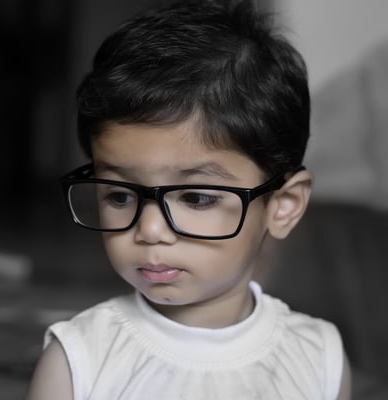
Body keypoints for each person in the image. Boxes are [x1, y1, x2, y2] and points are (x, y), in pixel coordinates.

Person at [26, 0, 351, 398]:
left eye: (196, 198)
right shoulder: (78, 359)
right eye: (120, 195)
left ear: (284, 205)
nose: (149, 230)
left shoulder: (319, 358)